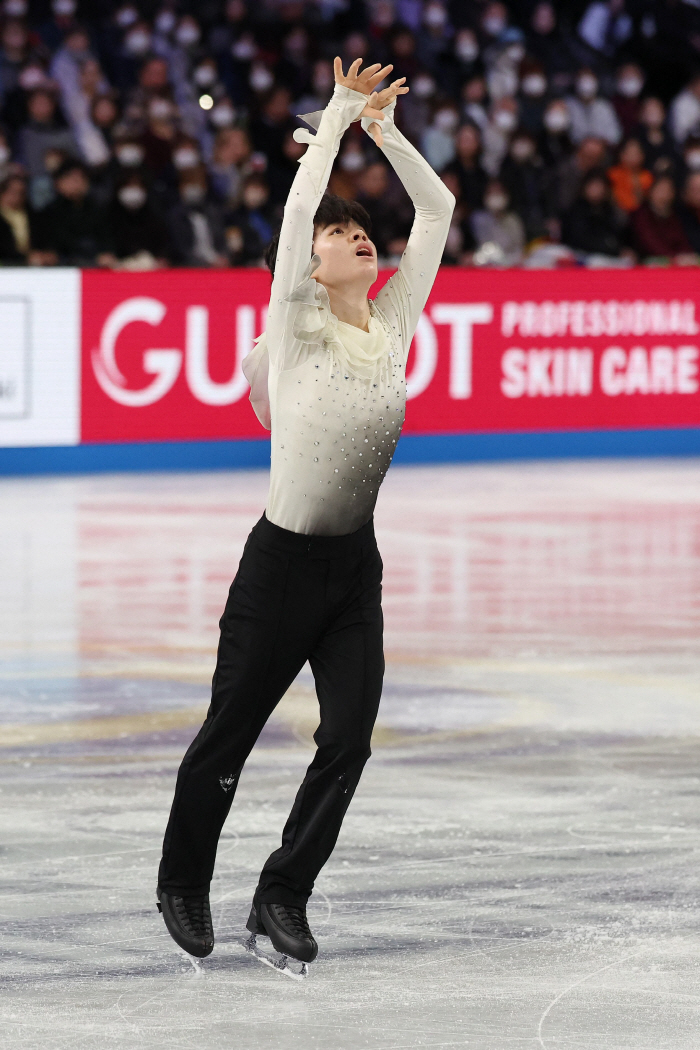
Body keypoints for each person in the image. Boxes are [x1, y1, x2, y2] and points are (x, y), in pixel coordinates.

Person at [156, 57, 454, 971]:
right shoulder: (291, 325)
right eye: (337, 231)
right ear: (312, 260)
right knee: (227, 737)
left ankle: (282, 893)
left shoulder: (394, 321)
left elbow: (435, 211)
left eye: (360, 230)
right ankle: (182, 880)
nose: (352, 236)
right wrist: (334, 117)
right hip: (279, 566)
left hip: (351, 573)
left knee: (351, 737)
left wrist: (386, 131)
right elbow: (294, 214)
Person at [561, 169, 627, 260]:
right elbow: (579, 239)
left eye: (600, 186)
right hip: (581, 256)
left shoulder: (608, 210)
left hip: (607, 256)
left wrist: (618, 249)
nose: (597, 190)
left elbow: (615, 236)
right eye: (593, 185)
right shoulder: (576, 209)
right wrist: (610, 249)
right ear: (585, 187)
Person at [630, 174, 694, 262]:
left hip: (675, 260)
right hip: (647, 261)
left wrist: (687, 255)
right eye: (660, 190)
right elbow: (650, 242)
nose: (664, 194)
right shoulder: (641, 214)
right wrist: (674, 257)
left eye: (668, 190)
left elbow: (681, 240)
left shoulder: (674, 214)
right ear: (651, 192)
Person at [470, 178, 525, 265]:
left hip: (511, 263)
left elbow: (518, 247)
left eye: (498, 192)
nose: (495, 196)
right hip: (485, 264)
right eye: (492, 193)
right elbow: (482, 246)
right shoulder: (478, 218)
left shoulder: (513, 220)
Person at [607, 137, 652, 213]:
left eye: (636, 153)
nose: (633, 157)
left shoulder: (647, 177)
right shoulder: (612, 174)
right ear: (621, 154)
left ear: (642, 156)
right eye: (629, 153)